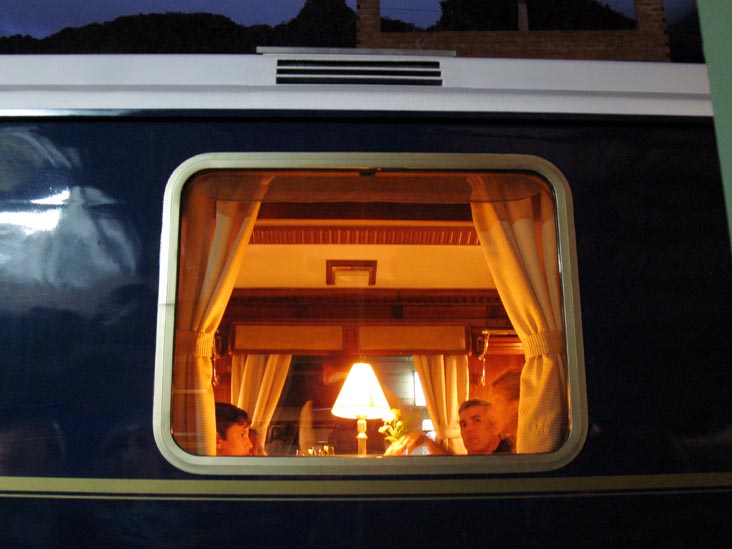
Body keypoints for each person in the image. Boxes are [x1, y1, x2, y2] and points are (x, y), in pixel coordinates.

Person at [485, 369, 521, 451]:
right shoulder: (509, 446)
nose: (489, 414)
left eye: (497, 401)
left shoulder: (533, 446)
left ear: (515, 407)